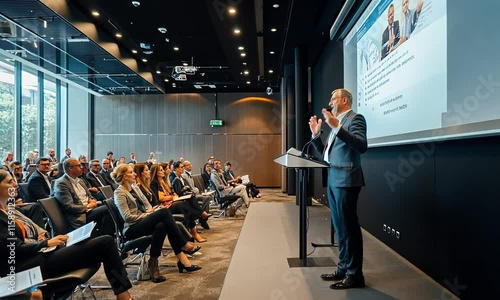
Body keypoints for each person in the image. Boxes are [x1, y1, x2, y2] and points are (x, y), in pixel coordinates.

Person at [0, 170, 135, 300]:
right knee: (105, 243)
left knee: (102, 244)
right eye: (10, 182)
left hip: (40, 252)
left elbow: (36, 229)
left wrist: (41, 237)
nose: (15, 184)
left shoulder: (10, 209)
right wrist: (45, 243)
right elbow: (15, 248)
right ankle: (123, 296)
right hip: (28, 265)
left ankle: (122, 294)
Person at [308, 88, 367, 289]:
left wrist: (338, 127)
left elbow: (361, 145)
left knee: (349, 228)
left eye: (333, 98)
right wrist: (316, 136)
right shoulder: (335, 123)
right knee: (340, 228)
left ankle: (355, 275)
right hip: (333, 178)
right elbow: (327, 155)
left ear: (343, 100)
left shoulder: (355, 119)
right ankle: (343, 268)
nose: (330, 102)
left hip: (347, 179)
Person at [111, 164, 201, 282]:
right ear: (124, 176)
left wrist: (151, 211)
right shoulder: (119, 193)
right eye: (131, 172)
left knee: (162, 226)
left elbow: (147, 204)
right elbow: (127, 217)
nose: (135, 174)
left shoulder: (135, 188)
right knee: (164, 212)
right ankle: (183, 247)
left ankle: (154, 263)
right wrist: (148, 215)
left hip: (143, 221)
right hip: (131, 229)